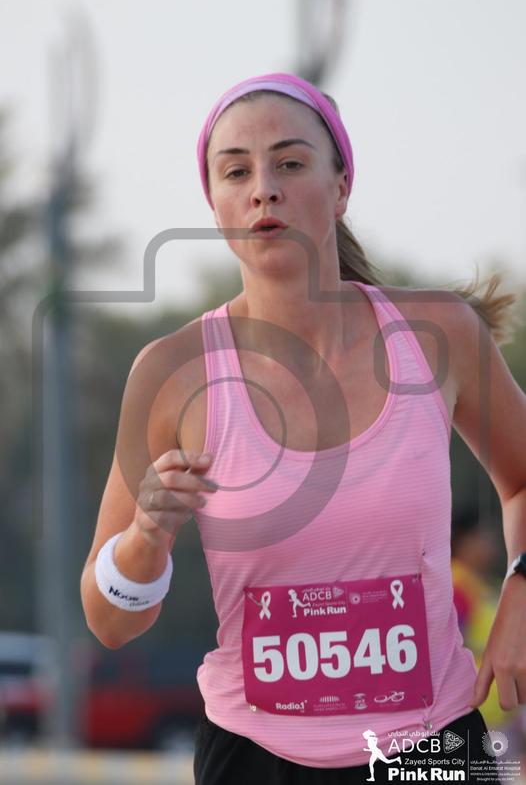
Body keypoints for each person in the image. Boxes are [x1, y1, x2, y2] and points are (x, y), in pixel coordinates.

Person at [80, 72, 526, 783]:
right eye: (236, 171)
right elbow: (108, 621)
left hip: (437, 744)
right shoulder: (172, 372)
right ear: (214, 202)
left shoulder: (437, 333)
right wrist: (146, 538)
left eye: (289, 163)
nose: (264, 189)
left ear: (341, 186)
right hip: (254, 757)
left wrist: (521, 593)